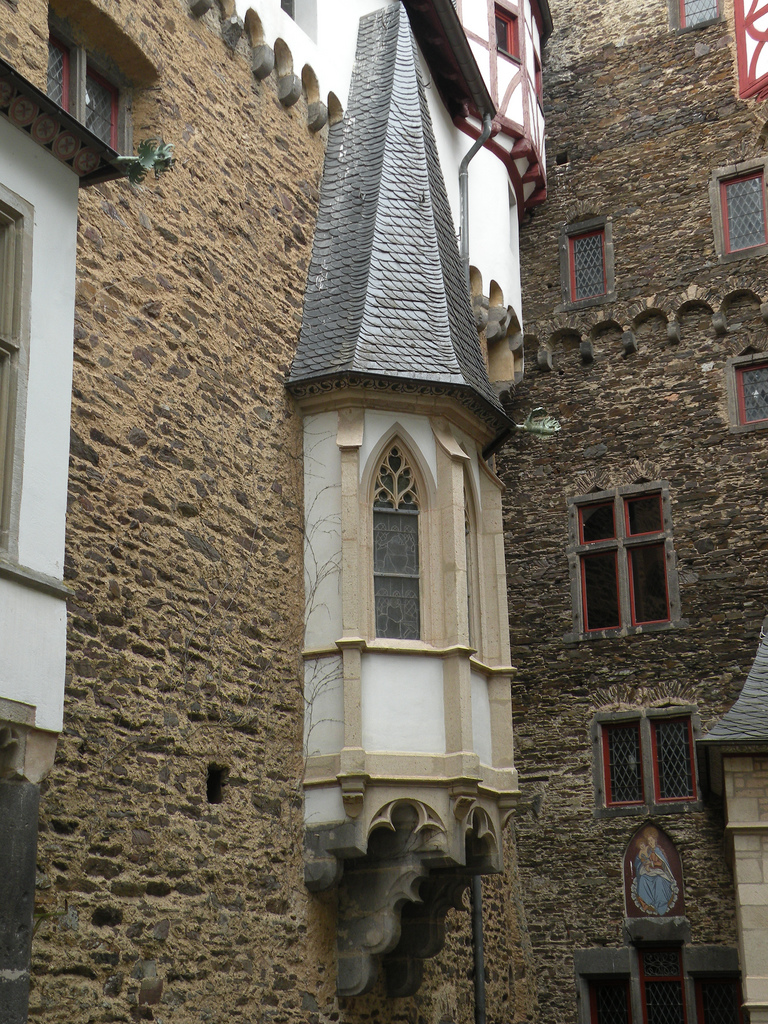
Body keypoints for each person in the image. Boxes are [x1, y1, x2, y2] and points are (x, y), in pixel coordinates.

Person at [633, 829, 676, 916]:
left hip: (661, 874)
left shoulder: (658, 851)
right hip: (651, 873)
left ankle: (660, 902)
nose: (650, 842)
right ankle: (647, 902)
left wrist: (652, 863)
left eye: (651, 840)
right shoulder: (647, 851)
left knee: (658, 880)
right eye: (648, 841)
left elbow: (662, 863)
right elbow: (642, 860)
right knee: (643, 879)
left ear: (655, 840)